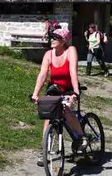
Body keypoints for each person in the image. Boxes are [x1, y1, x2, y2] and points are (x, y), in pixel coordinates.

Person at [31, 28, 87, 166]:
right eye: (51, 37)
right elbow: (43, 74)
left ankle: (81, 137)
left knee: (65, 110)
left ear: (63, 41)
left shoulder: (70, 51)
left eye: (55, 38)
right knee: (48, 116)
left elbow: (73, 72)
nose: (52, 40)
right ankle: (45, 149)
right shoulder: (48, 54)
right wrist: (35, 93)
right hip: (54, 89)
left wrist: (75, 92)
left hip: (69, 89)